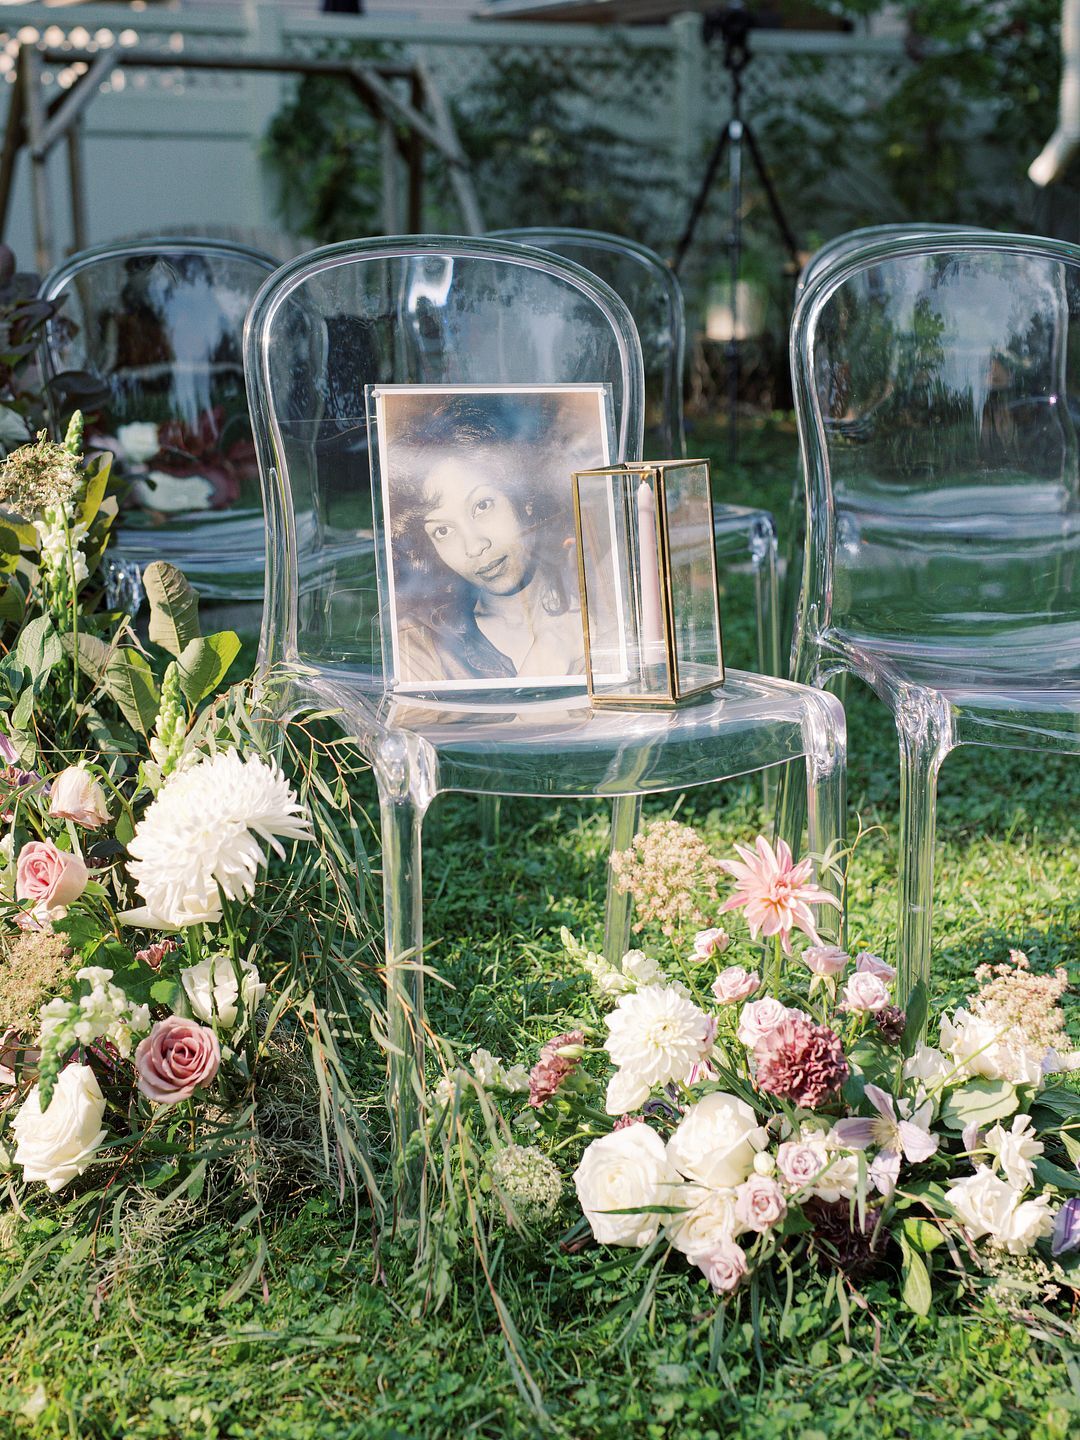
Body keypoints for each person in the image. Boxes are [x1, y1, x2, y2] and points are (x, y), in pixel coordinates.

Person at [387, 396, 586, 686]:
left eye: (482, 506)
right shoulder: (419, 649)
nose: (474, 546)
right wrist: (552, 650)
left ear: (524, 499)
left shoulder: (606, 602)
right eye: (442, 530)